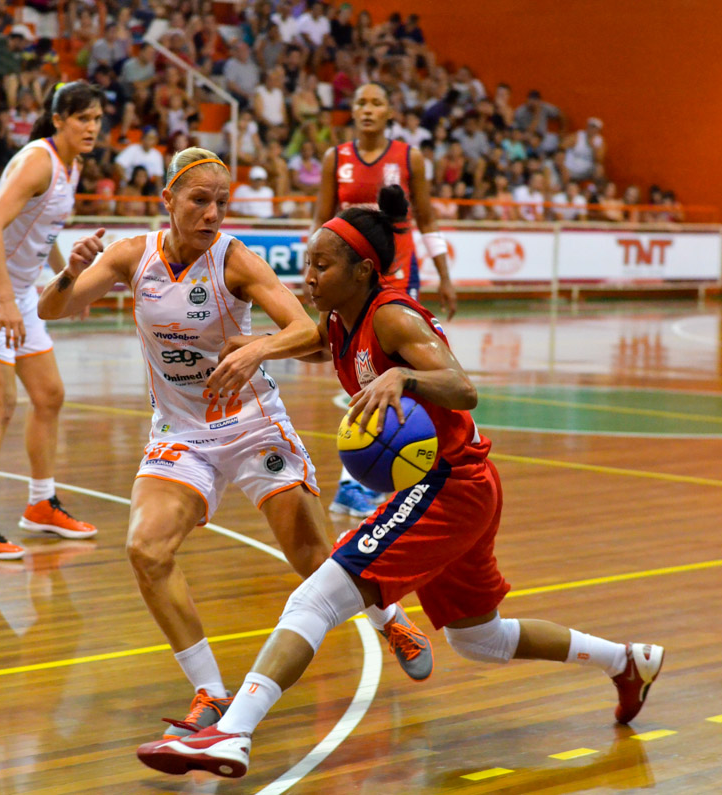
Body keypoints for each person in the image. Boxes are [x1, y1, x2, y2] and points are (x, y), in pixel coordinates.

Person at [136, 187, 667, 779]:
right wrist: (263, 347)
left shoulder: (393, 315)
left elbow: (464, 389)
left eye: (321, 265)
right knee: (479, 639)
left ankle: (231, 735)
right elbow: (317, 342)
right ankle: (626, 661)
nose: (306, 276)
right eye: (307, 263)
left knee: (315, 597)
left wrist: (405, 380)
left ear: (363, 269)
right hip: (467, 485)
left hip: (451, 483)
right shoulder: (343, 316)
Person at [37, 147, 436, 746]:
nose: (213, 214)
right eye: (200, 200)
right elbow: (53, 309)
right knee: (145, 550)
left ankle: (391, 618)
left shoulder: (236, 260)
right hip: (181, 435)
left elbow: (308, 328)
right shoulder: (131, 257)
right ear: (167, 200)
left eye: (222, 202)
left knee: (312, 558)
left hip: (252, 426)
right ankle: (210, 693)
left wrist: (253, 349)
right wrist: (70, 270)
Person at [0, 81, 106, 561]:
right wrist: (8, 299)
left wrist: (66, 282)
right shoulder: (39, 160)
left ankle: (40, 505)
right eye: (83, 119)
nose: (92, 128)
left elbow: (45, 232)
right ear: (59, 120)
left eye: (97, 119)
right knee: (0, 401)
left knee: (50, 396)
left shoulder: (70, 165)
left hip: (20, 292)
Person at [312, 81, 456, 518]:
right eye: (361, 102)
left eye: (377, 101)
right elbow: (320, 222)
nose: (368, 109)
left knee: (397, 375)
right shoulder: (334, 158)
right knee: (364, 375)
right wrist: (315, 274)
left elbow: (427, 219)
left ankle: (385, 475)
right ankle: (359, 480)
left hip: (396, 280)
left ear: (389, 109)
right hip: (352, 285)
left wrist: (444, 274)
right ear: (352, 110)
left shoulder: (410, 157)